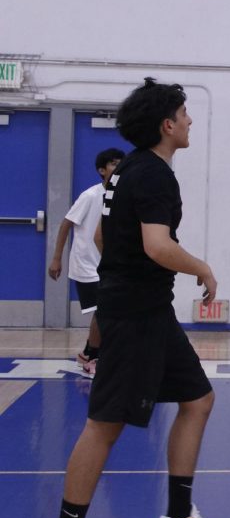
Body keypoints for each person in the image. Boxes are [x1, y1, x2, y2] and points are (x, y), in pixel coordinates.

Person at [41, 79, 226, 518]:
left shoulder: (126, 171)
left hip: (149, 311)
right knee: (104, 424)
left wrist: (124, 273)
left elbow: (104, 235)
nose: (190, 121)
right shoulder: (155, 176)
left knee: (198, 398)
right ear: (167, 125)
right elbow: (158, 246)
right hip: (134, 317)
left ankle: (180, 516)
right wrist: (202, 268)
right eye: (184, 114)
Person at [48, 148, 125, 375]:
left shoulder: (121, 195)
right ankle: (92, 354)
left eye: (121, 163)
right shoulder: (90, 196)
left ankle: (91, 351)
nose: (117, 167)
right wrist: (56, 259)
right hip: (86, 263)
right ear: (102, 170)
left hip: (108, 264)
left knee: (106, 310)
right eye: (113, 164)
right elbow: (66, 224)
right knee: (102, 309)